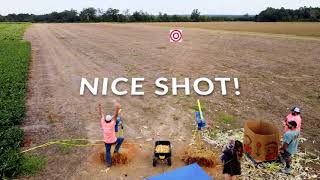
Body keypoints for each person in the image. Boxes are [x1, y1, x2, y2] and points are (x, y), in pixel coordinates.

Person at [99, 102, 124, 168]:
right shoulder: (112, 124)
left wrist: (100, 107)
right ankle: (116, 150)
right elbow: (116, 115)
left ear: (105, 120)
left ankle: (109, 164)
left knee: (108, 152)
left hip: (106, 142)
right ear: (110, 120)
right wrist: (117, 108)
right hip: (113, 141)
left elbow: (101, 115)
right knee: (121, 139)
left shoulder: (103, 123)